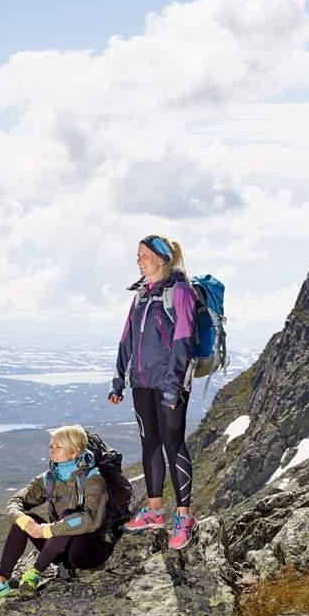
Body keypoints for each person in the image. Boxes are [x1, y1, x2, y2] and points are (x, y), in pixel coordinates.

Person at [108, 234, 198, 550]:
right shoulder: (141, 297)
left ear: (160, 259)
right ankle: (155, 510)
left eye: (143, 254)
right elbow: (126, 341)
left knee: (173, 446)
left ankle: (185, 517)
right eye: (137, 254)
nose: (138, 259)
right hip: (141, 383)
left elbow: (183, 342)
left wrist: (174, 387)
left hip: (170, 384)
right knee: (150, 445)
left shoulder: (181, 293)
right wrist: (119, 381)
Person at [0, 425, 113, 600]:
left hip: (90, 551)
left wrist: (48, 530)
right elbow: (15, 502)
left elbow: (90, 520)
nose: (52, 451)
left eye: (58, 447)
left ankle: (35, 573)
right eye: (51, 446)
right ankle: (0, 581)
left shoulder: (94, 479)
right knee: (26, 518)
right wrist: (23, 520)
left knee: (70, 513)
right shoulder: (48, 477)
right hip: (59, 551)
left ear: (74, 451)